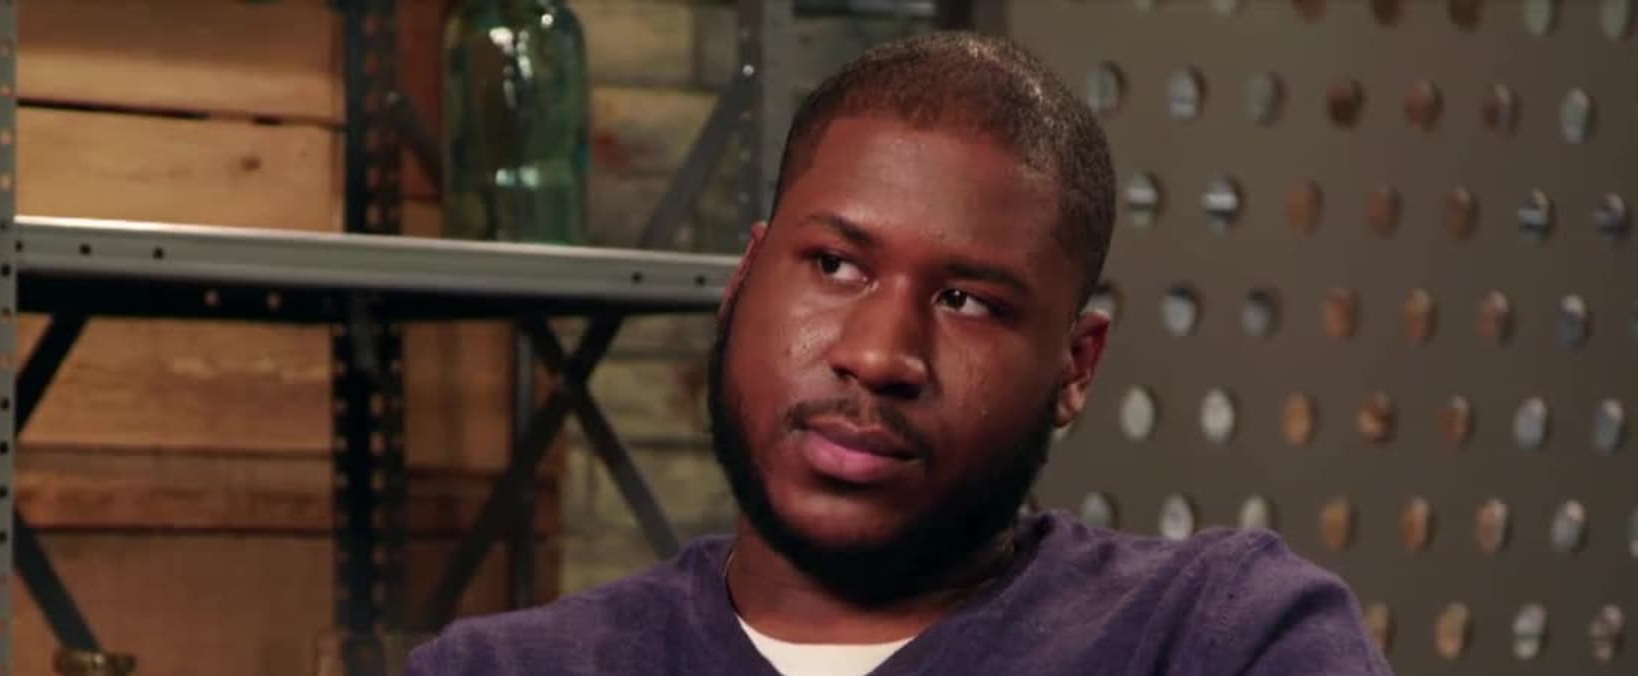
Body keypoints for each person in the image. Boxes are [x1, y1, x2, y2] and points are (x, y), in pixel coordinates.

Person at [405, 31, 1394, 676]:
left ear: (1076, 367)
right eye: (835, 266)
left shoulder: (1220, 638)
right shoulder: (506, 669)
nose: (879, 356)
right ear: (745, 278)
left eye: (967, 302)